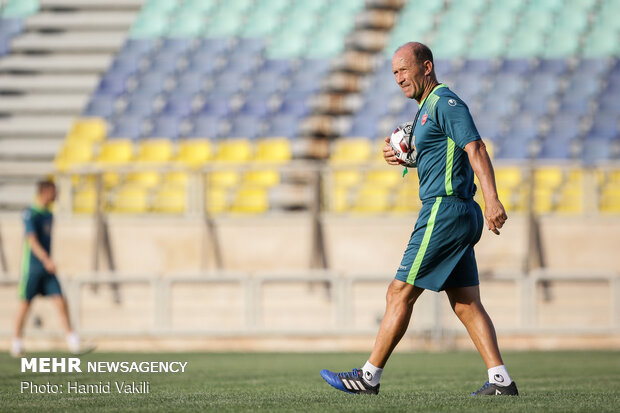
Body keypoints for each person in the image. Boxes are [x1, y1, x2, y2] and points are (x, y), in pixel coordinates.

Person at [320, 42, 517, 396]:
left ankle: (368, 377)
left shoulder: (445, 102)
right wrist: (407, 156)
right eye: (394, 72)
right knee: (466, 302)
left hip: (445, 210)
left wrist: (493, 200)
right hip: (456, 211)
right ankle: (500, 380)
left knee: (399, 291)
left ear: (426, 67)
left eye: (404, 69)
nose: (398, 78)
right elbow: (444, 152)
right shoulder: (426, 108)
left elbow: (475, 147)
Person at [11, 179, 94, 357]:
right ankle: (16, 342)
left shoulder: (49, 214)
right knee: (25, 305)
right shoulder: (30, 213)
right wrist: (46, 259)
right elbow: (31, 240)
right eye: (55, 191)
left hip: (47, 269)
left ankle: (73, 341)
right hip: (33, 268)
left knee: (60, 300)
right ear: (46, 192)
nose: (57, 195)